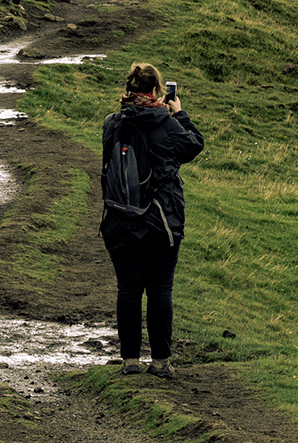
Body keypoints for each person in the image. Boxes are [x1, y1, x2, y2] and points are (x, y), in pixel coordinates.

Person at [97, 61, 206, 376]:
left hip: (119, 218)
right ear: (158, 90)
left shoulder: (112, 124)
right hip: (162, 219)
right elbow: (193, 146)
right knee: (160, 288)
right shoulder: (166, 124)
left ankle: (130, 361)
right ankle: (160, 362)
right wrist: (179, 113)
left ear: (129, 89)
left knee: (128, 288)